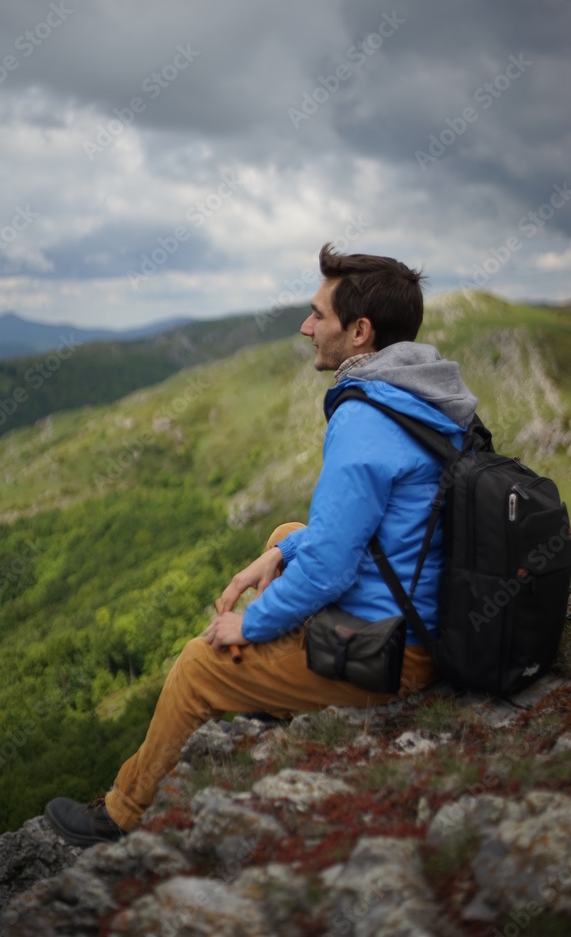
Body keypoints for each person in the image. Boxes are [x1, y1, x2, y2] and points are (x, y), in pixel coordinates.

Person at [45, 245, 478, 847]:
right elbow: (352, 538)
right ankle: (273, 685)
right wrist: (280, 554)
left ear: (359, 331)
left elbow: (330, 565)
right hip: (418, 615)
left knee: (198, 667)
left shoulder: (366, 418)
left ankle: (121, 816)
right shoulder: (422, 393)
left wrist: (249, 627)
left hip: (391, 656)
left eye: (317, 315)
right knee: (285, 535)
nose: (305, 327)